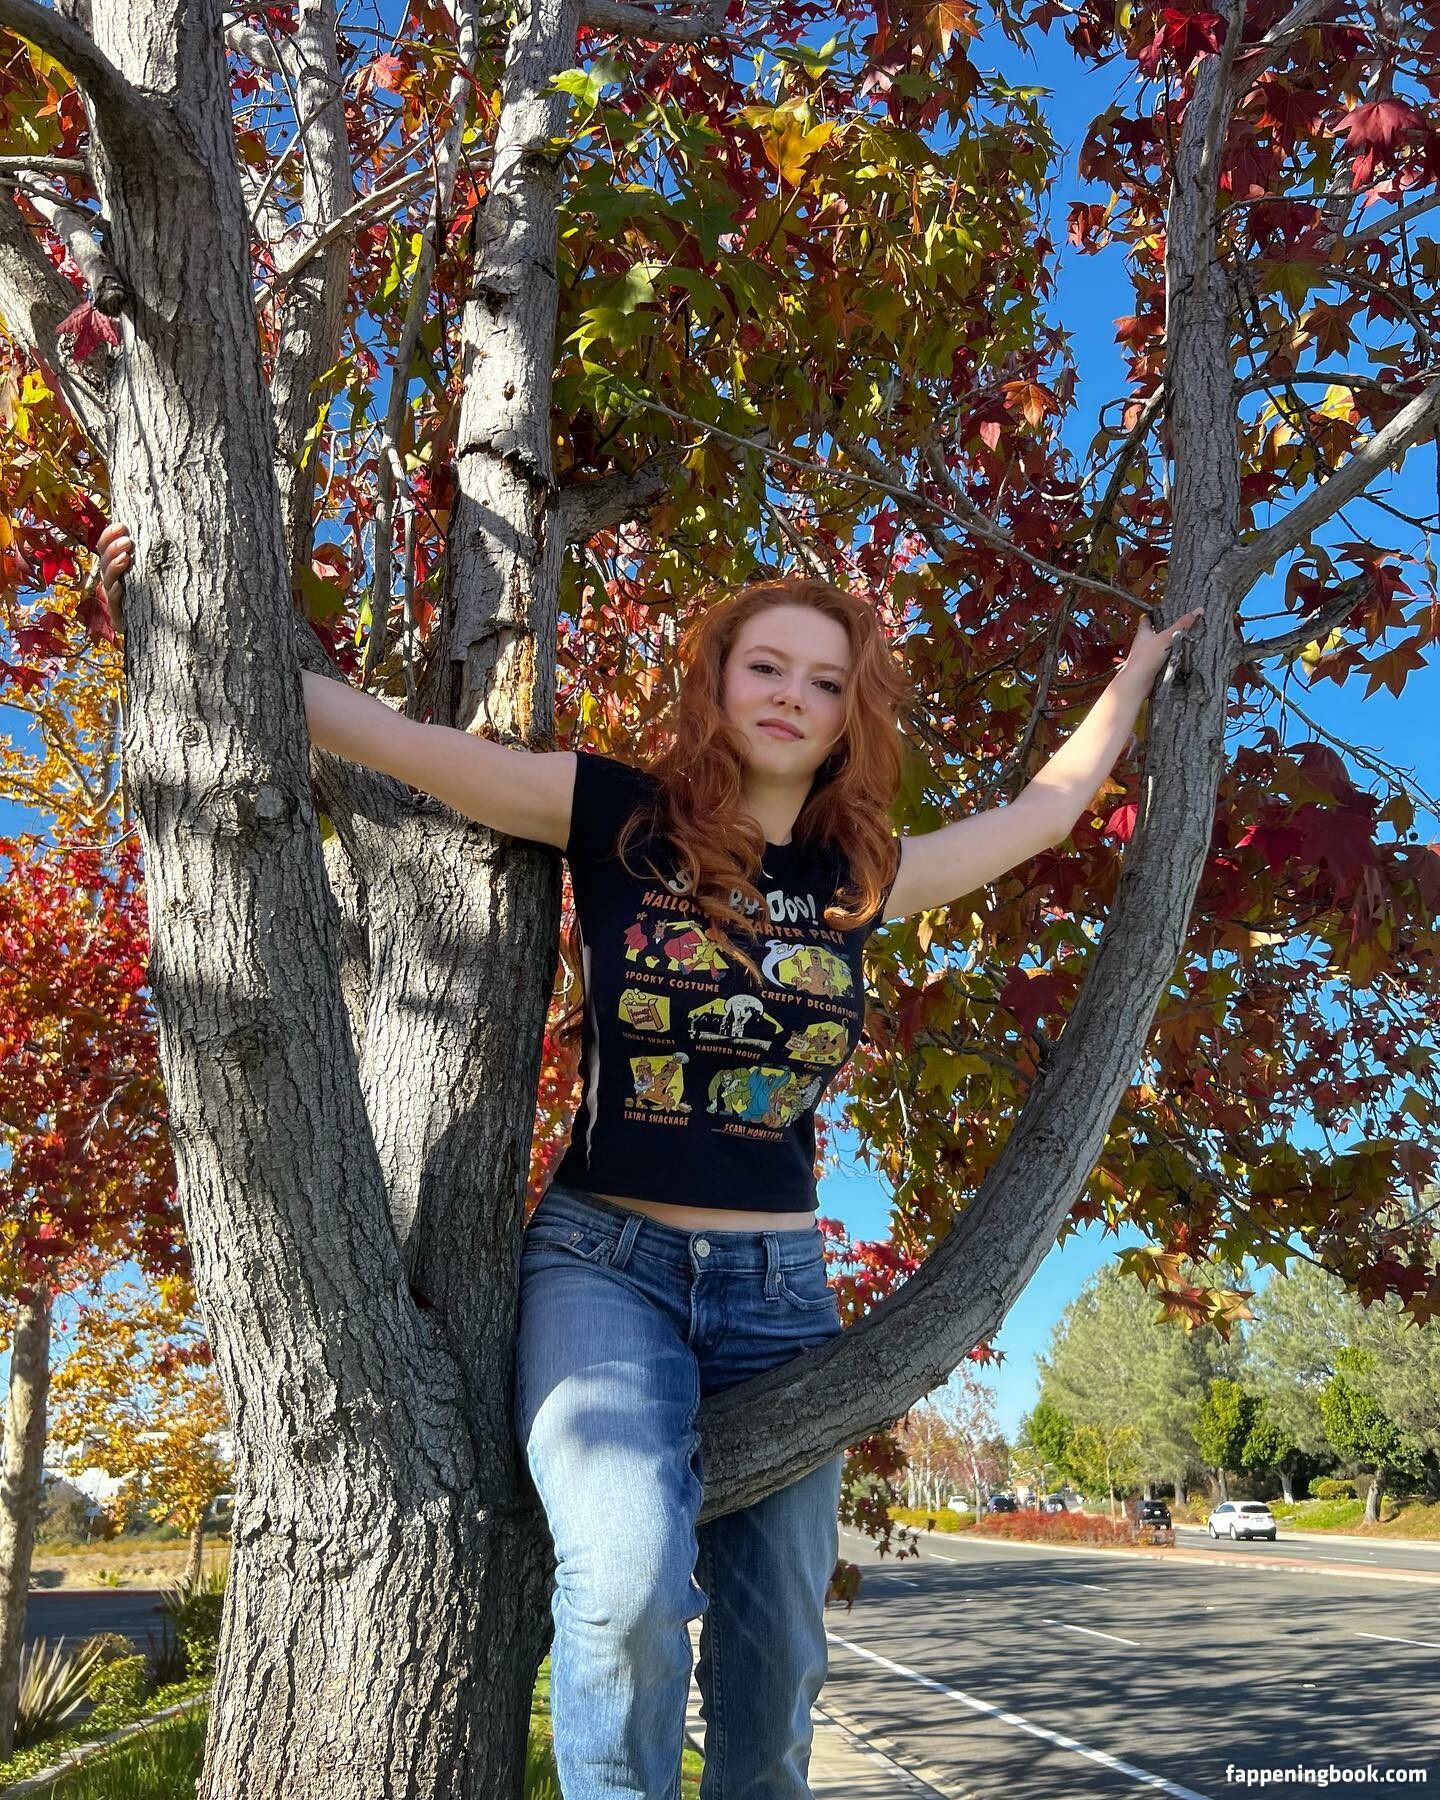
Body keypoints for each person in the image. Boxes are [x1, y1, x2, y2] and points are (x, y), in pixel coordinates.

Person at [95, 523, 1200, 1797]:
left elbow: (1044, 814)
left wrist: (1136, 674)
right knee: (624, 1589)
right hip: (604, 1273)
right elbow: (384, 738)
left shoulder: (861, 875)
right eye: (767, 667)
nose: (792, 696)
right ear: (717, 682)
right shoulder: (614, 814)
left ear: (850, 716)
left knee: (777, 1661)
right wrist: (167, 622)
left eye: (827, 681)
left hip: (781, 1301)